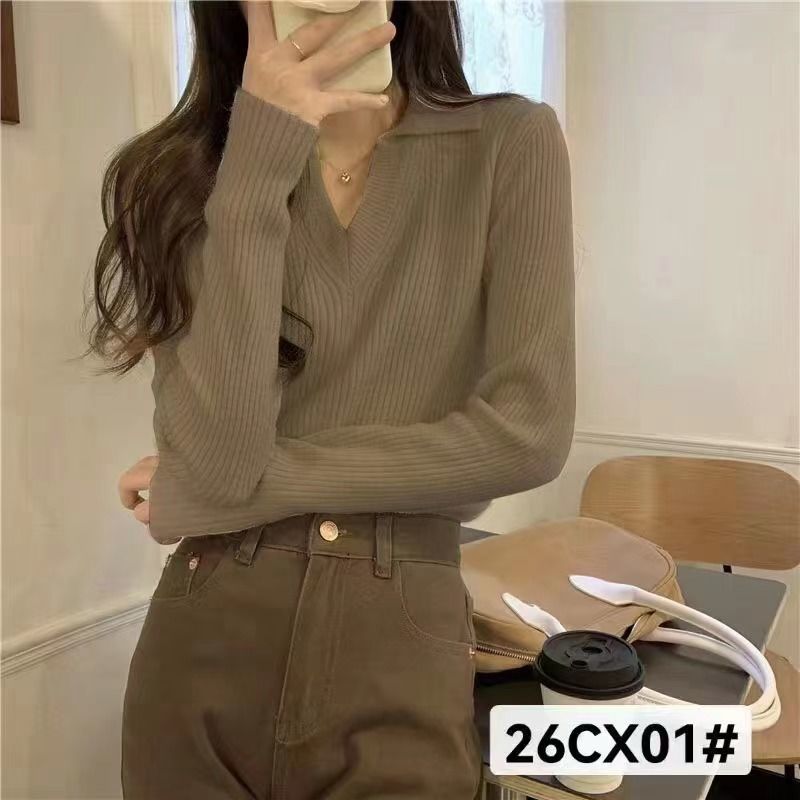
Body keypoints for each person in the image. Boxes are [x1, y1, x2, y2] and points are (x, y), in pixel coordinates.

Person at [87, 1, 576, 797]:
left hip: (399, 642)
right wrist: (259, 156)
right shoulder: (175, 173)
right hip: (204, 640)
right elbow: (218, 461)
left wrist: (251, 488)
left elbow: (527, 436)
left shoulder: (508, 143)